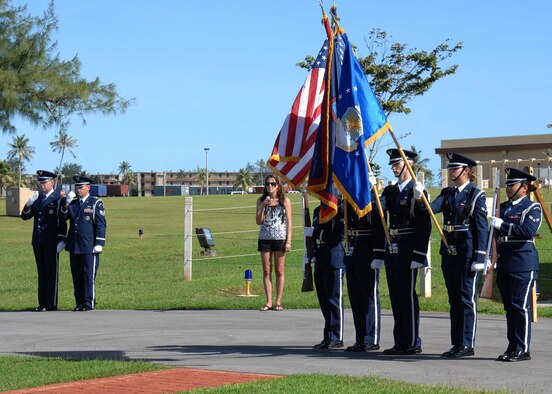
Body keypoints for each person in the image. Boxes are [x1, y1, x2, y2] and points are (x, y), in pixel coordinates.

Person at [419, 153, 488, 358]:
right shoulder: (447, 193)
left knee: (466, 298)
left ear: (465, 171)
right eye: (449, 169)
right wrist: (421, 196)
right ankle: (456, 344)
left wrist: (480, 257)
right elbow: (431, 210)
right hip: (449, 249)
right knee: (454, 299)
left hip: (467, 251)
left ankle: (467, 344)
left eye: (454, 169)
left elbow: (481, 228)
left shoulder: (476, 195)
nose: (450, 172)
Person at [373, 149, 431, 355]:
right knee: (396, 297)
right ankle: (400, 341)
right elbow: (378, 213)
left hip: (408, 247)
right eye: (392, 164)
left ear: (409, 164)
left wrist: (419, 254)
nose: (393, 167)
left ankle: (413, 341)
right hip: (393, 247)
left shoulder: (417, 190)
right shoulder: (391, 191)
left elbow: (424, 225)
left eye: (397, 163)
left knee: (407, 296)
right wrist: (371, 190)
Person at [491, 168, 541, 362]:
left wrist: (501, 225)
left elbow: (526, 231)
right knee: (510, 308)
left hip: (523, 264)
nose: (508, 188)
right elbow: (493, 236)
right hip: (505, 263)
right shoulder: (502, 207)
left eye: (512, 185)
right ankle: (512, 347)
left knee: (520, 307)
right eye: (507, 185)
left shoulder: (532, 208)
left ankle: (523, 349)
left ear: (524, 187)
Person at [20, 170, 67, 311]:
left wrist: (61, 239)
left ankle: (51, 304)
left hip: (51, 242)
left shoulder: (57, 199)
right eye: (40, 183)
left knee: (51, 273)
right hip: (38, 241)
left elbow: (62, 221)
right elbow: (25, 216)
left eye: (44, 182)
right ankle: (42, 303)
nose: (42, 185)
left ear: (52, 182)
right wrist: (28, 205)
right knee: (42, 273)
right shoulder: (38, 198)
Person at [60, 175, 107, 311]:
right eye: (77, 187)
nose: (78, 190)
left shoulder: (95, 203)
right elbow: (62, 218)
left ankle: (88, 302)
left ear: (88, 187)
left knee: (88, 275)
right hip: (74, 245)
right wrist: (66, 203)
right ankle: (79, 302)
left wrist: (99, 242)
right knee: (77, 275)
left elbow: (101, 224)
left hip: (88, 246)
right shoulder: (73, 204)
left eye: (81, 187)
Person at [345, 192, 384, 352]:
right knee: (356, 297)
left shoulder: (372, 198)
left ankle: (371, 338)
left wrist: (379, 253)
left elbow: (380, 225)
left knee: (369, 296)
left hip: (367, 250)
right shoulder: (349, 197)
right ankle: (360, 338)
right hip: (352, 248)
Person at [307, 199, 345, 349]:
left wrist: (316, 233)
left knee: (334, 300)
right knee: (323, 299)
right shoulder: (318, 210)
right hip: (321, 257)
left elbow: (339, 235)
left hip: (334, 256)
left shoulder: (340, 210)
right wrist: (312, 252)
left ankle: (337, 336)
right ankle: (328, 336)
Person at [256, 175, 292, 312]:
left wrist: (288, 241)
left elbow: (289, 222)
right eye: (267, 184)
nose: (269, 187)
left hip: (280, 239)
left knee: (279, 270)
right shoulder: (260, 200)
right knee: (266, 270)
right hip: (265, 238)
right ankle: (268, 301)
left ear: (278, 185)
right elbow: (258, 221)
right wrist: (262, 207)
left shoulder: (285, 201)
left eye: (272, 184)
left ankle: (278, 301)